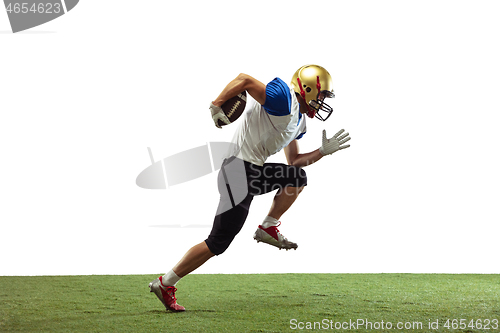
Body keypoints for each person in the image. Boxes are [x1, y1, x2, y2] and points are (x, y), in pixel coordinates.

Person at [149, 64, 351, 312]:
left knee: (297, 176)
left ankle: (268, 226)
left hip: (253, 172)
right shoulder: (283, 98)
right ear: (308, 88)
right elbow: (244, 79)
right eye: (320, 96)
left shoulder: (299, 121)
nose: (321, 103)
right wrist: (217, 104)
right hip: (237, 171)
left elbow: (295, 161)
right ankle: (165, 283)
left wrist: (322, 152)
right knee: (218, 242)